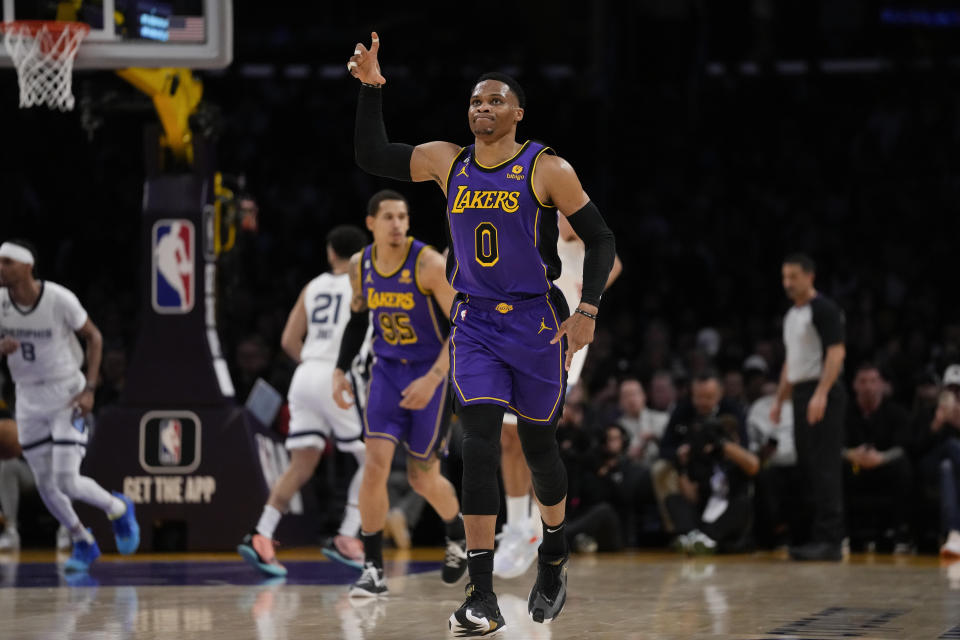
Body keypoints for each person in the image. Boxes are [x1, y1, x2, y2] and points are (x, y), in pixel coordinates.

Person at [348, 32, 616, 634]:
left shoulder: (548, 167)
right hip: (473, 322)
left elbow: (600, 239)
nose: (482, 109)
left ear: (518, 112)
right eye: (475, 101)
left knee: (542, 448)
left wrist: (588, 309)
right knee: (477, 446)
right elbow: (373, 155)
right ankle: (483, 594)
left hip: (537, 322)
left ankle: (553, 550)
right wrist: (371, 90)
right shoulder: (448, 160)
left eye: (494, 101)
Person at [332, 190, 467, 597]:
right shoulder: (360, 266)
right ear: (371, 223)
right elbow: (358, 321)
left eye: (403, 217)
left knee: (422, 478)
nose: (397, 225)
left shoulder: (428, 264)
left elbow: (462, 328)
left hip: (431, 374)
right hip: (387, 373)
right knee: (374, 464)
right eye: (388, 217)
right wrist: (340, 368)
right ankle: (373, 569)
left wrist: (432, 380)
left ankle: (457, 533)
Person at [238, 225, 370, 576]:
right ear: (362, 254)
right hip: (336, 376)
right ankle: (346, 536)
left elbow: (287, 341)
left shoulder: (312, 286)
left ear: (330, 253)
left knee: (301, 465)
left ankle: (262, 534)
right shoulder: (366, 282)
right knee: (375, 460)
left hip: (305, 374)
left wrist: (313, 363)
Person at [0, 239, 139, 571]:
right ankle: (82, 540)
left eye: (7, 262)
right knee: (46, 483)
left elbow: (95, 337)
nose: (0, 268)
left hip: (67, 395)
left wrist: (90, 387)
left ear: (27, 266)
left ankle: (118, 508)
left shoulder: (59, 299)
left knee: (66, 480)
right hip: (29, 398)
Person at [495, 215, 621, 580]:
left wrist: (588, 299)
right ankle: (520, 525)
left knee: (532, 437)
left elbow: (614, 260)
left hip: (561, 345)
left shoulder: (588, 243)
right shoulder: (537, 227)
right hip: (523, 337)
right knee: (507, 436)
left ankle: (538, 527)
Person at [770, 253, 846, 561]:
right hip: (802, 392)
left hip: (822, 391)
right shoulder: (792, 315)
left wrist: (822, 393)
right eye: (784, 277)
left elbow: (836, 353)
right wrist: (779, 399)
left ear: (809, 276)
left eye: (793, 277)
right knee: (808, 468)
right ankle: (816, 537)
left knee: (825, 468)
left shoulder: (824, 309)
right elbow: (792, 362)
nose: (787, 283)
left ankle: (832, 541)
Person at [842, 363, 912, 551]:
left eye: (873, 381)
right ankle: (844, 531)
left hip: (884, 467)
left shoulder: (897, 412)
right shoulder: (843, 413)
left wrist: (880, 458)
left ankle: (896, 530)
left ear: (882, 384)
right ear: (854, 385)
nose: (868, 387)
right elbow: (834, 447)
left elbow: (903, 447)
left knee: (902, 465)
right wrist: (852, 455)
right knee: (836, 466)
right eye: (863, 382)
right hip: (854, 467)